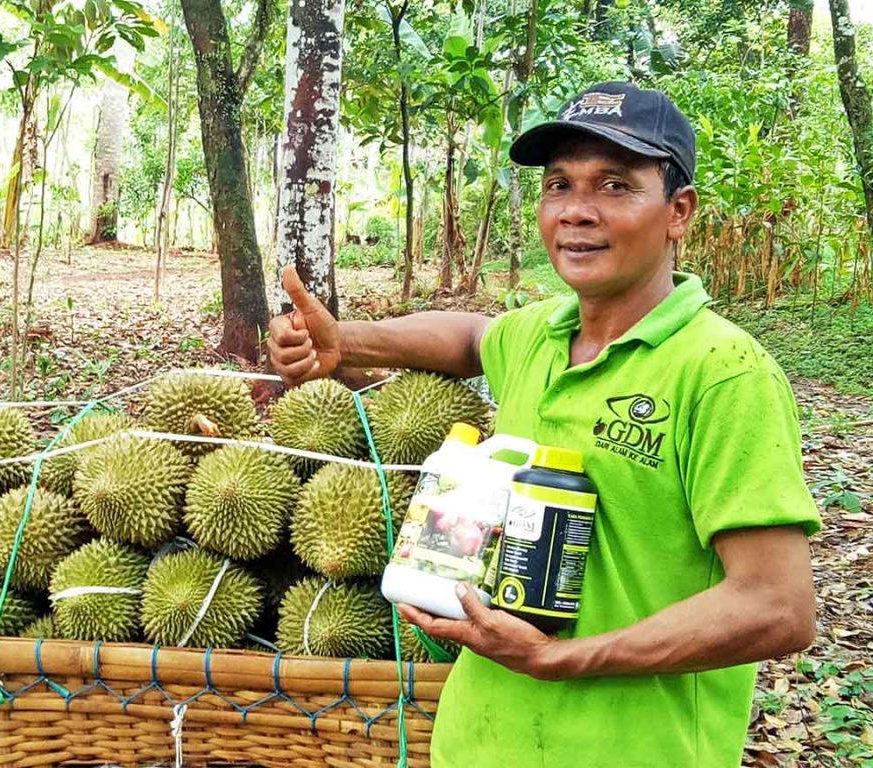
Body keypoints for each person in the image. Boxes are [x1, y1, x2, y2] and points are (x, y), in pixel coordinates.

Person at [267, 81, 821, 768]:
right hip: (478, 745)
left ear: (679, 211)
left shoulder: (723, 372)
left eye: (615, 186)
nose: (577, 212)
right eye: (559, 185)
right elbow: (471, 337)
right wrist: (347, 341)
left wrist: (560, 658)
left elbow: (778, 607)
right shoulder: (537, 337)